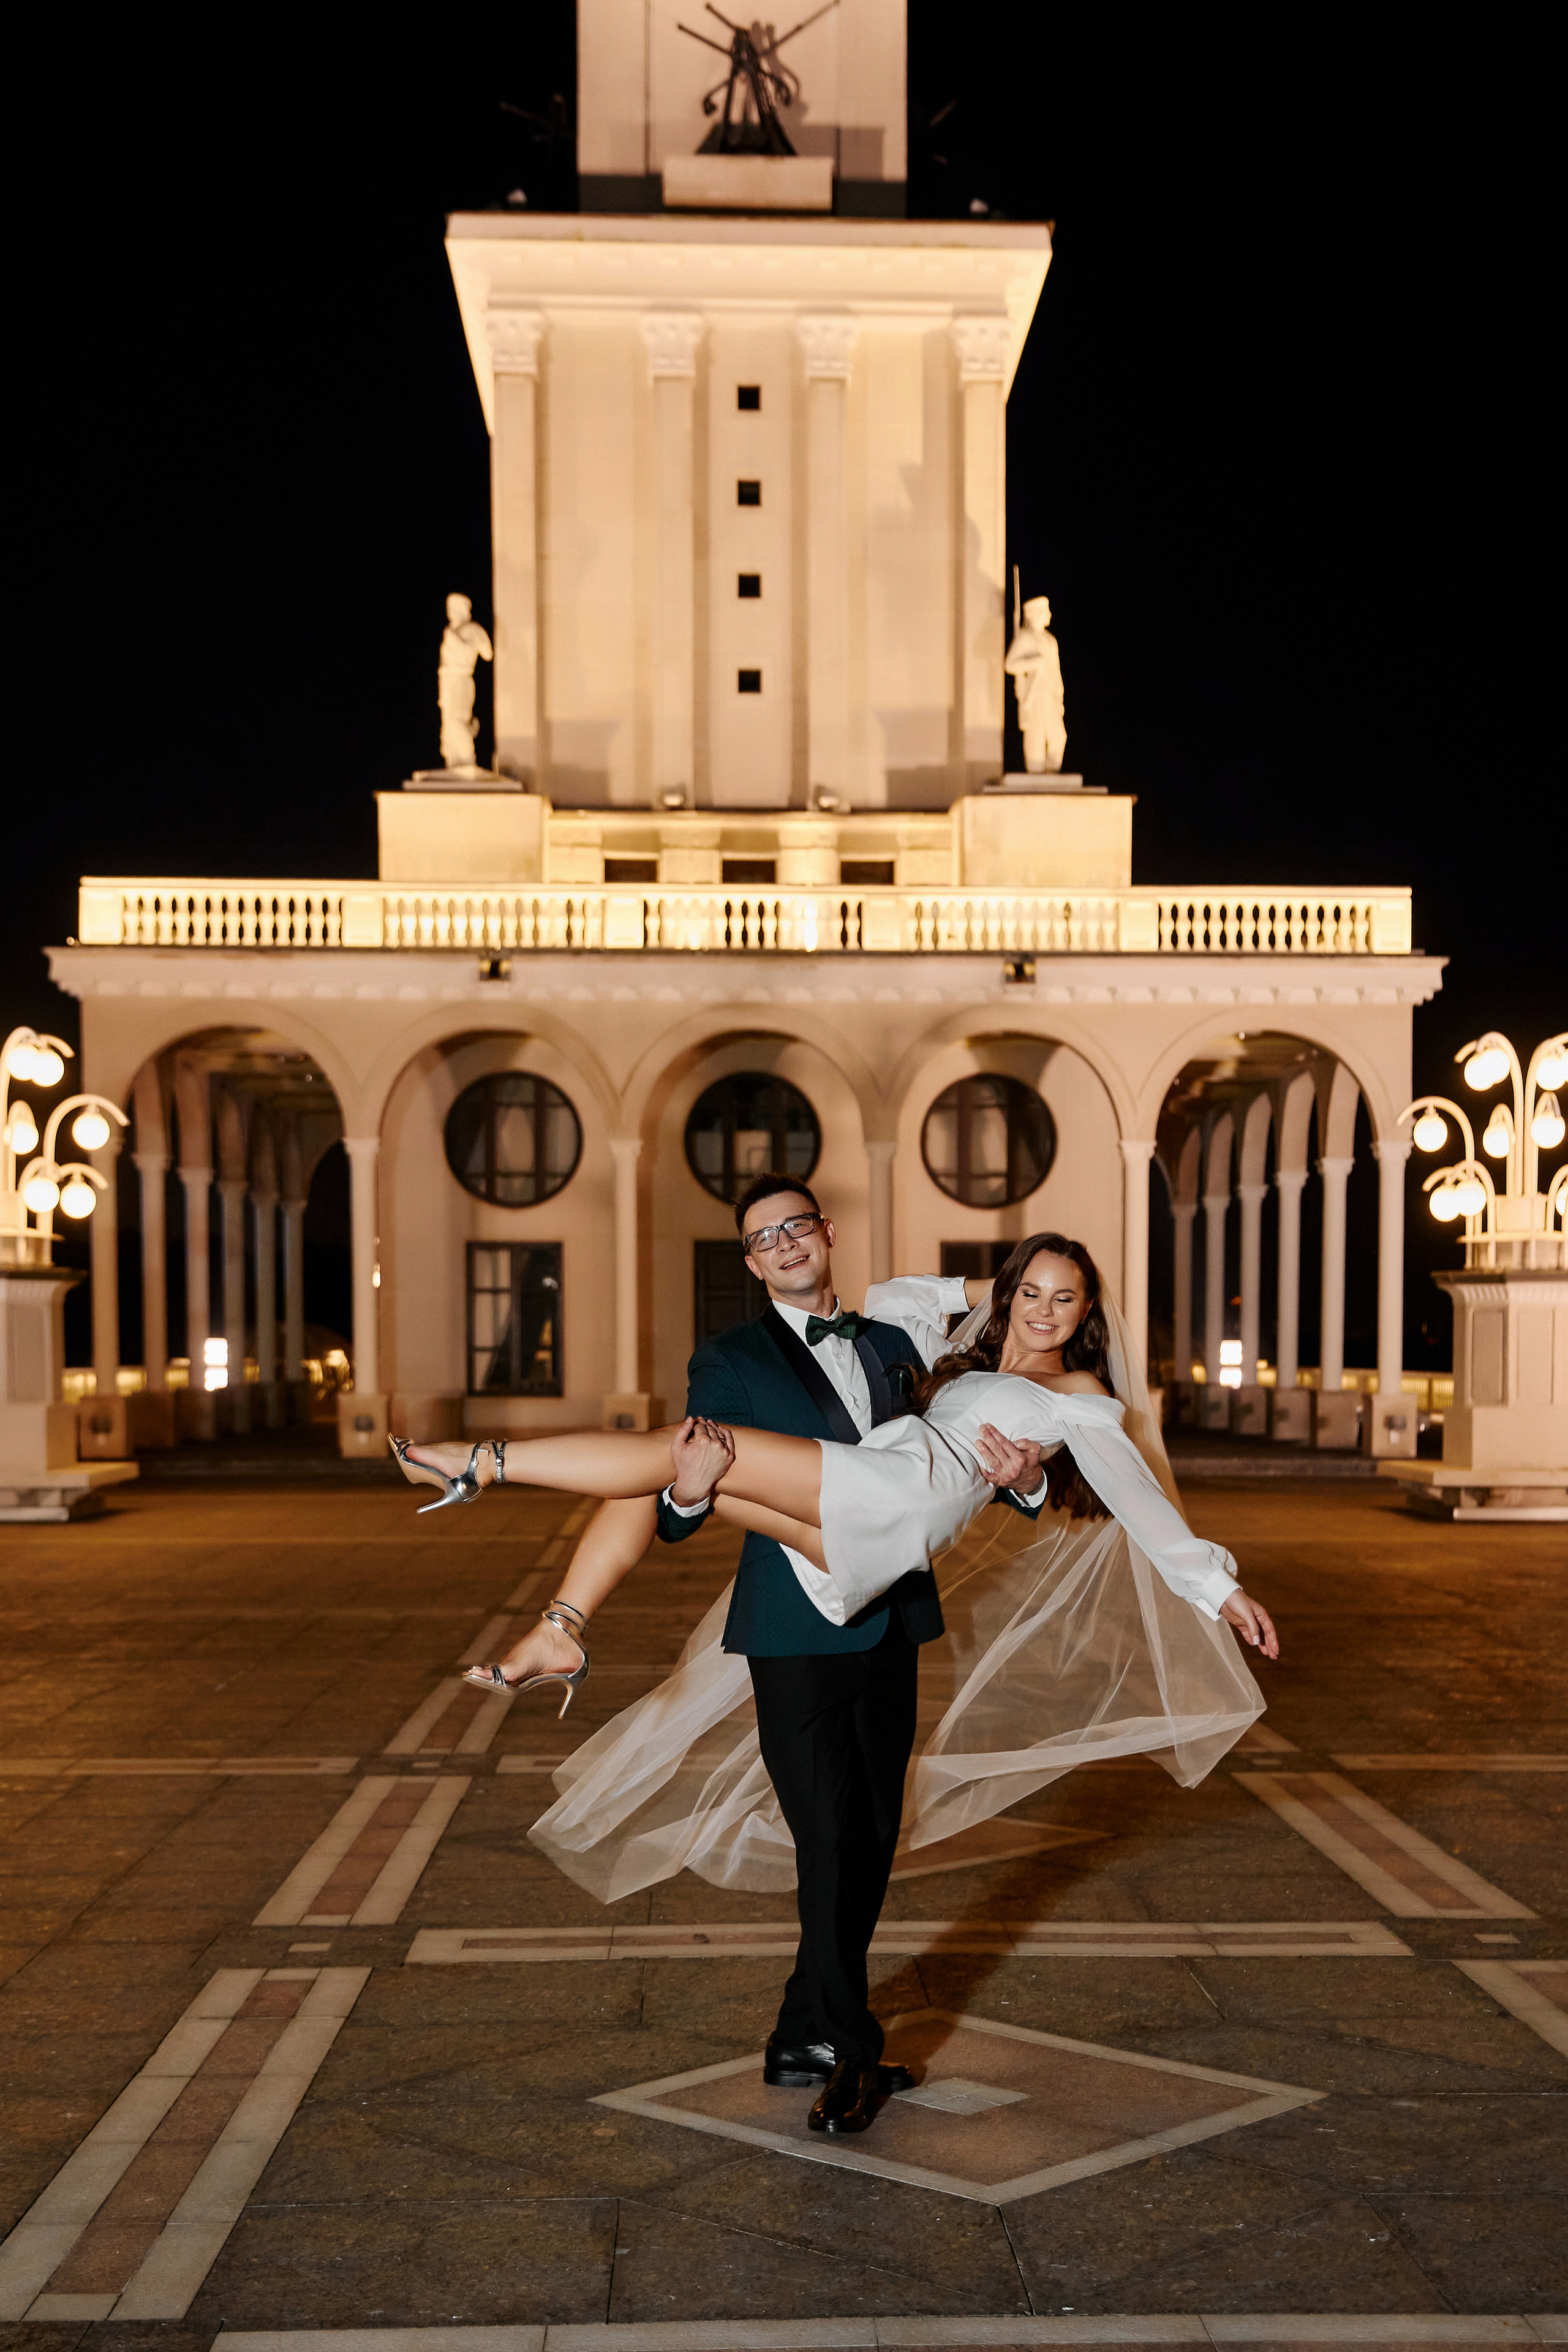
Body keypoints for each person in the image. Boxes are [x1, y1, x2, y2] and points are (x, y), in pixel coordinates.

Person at [393, 1219, 1278, 2132]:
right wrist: (977, 1294)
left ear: (1090, 1312)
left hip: (899, 1498)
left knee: (678, 1444)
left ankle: (479, 1462)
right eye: (1032, 1291)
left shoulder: (1079, 1393)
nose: (1046, 1312)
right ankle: (562, 1631)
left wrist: (1216, 1588)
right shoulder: (932, 1346)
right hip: (863, 1516)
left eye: (1066, 1298)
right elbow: (903, 1299)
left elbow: (1132, 1490)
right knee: (674, 1464)